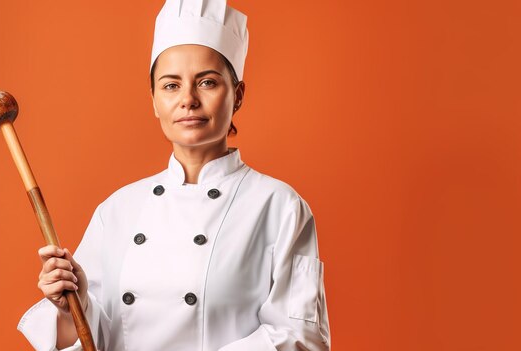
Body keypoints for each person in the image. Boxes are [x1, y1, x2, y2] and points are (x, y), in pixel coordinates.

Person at [18, 0, 330, 350]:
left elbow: (303, 337)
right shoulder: (117, 210)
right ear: (153, 99)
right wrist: (69, 308)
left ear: (238, 94)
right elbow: (91, 338)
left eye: (207, 82)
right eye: (170, 86)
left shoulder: (280, 207)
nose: (188, 100)